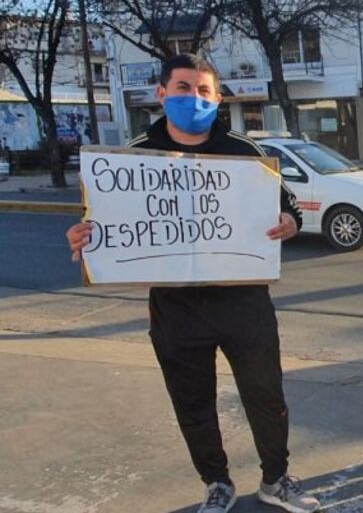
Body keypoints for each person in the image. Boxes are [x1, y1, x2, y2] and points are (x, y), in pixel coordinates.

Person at [65, 53, 321, 513]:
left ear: (218, 98)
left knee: (266, 394)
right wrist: (84, 236)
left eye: (203, 90)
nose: (194, 98)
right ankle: (216, 483)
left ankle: (275, 478)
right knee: (193, 401)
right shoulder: (132, 156)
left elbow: (290, 211)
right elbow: (102, 224)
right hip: (176, 308)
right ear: (161, 93)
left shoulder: (247, 154)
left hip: (245, 302)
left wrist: (289, 221)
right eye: (183, 88)